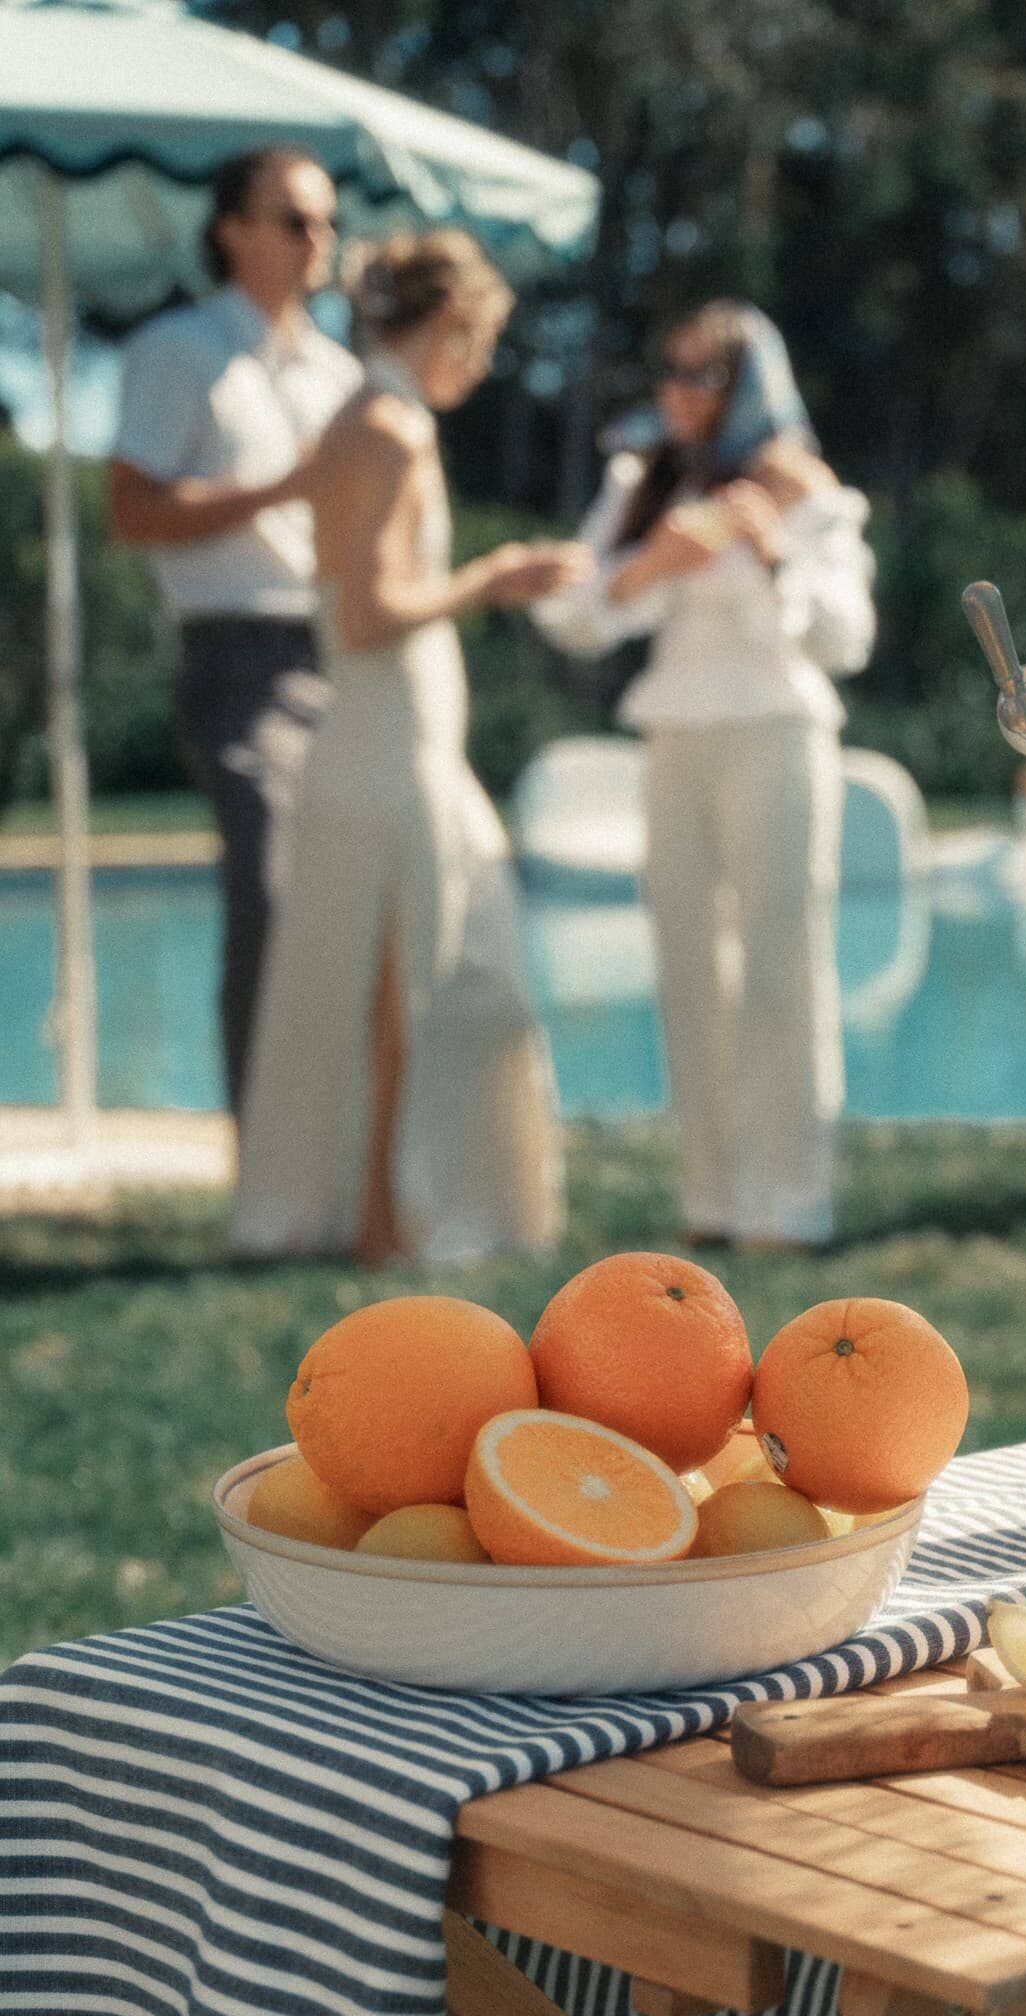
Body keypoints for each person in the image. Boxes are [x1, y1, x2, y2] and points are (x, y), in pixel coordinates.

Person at [230, 232, 584, 1266]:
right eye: (475, 343)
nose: (476, 368)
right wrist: (492, 577)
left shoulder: (358, 419)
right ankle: (388, 1223)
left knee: (399, 970)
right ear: (439, 325)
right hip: (390, 736)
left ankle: (371, 1210)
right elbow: (373, 610)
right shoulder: (387, 428)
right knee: (408, 978)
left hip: (387, 732)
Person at [533, 303, 876, 1249]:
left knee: (780, 963)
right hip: (676, 735)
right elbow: (576, 614)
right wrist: (652, 564)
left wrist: (771, 553)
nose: (675, 394)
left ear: (748, 386)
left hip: (777, 733)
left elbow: (847, 639)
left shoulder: (804, 489)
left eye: (700, 376)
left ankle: (792, 1204)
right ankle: (713, 1203)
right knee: (687, 965)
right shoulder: (645, 480)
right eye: (668, 372)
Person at [107, 147, 362, 1114]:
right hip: (236, 657)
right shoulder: (176, 353)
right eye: (295, 220)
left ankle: (336, 1149)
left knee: (339, 910)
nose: (318, 241)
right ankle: (269, 1156)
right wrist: (280, 488)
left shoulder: (341, 373)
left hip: (347, 653)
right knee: (270, 897)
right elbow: (130, 512)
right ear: (232, 231)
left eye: (327, 222)